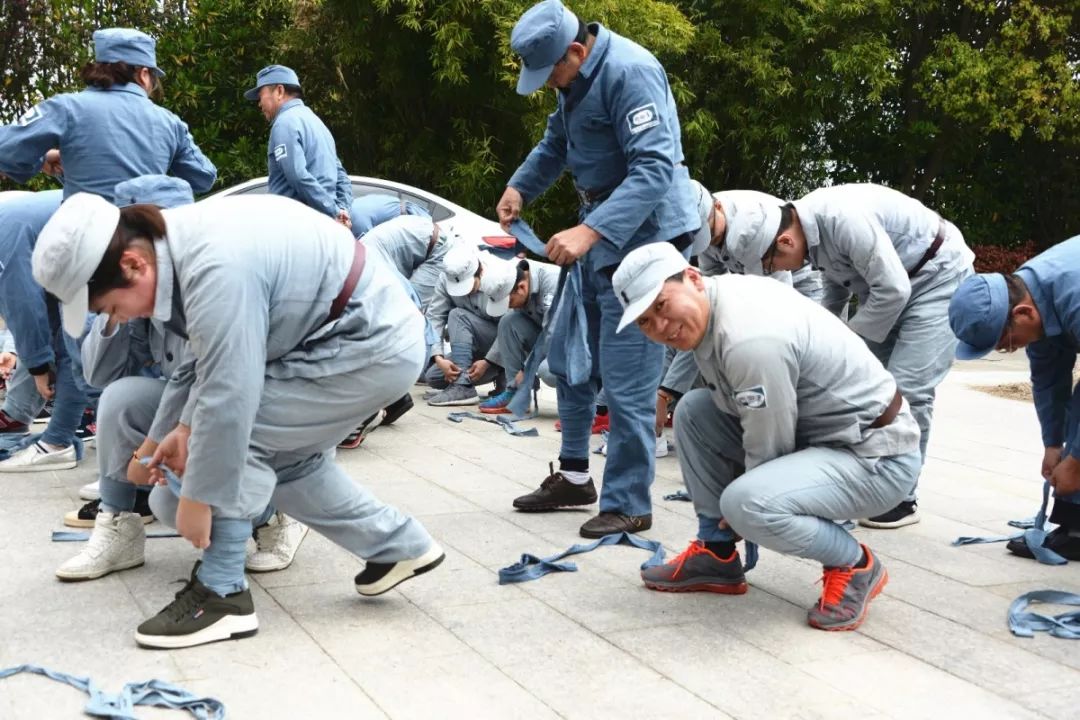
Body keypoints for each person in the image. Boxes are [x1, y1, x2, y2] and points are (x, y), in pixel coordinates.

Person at [33, 192, 444, 648]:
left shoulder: (213, 266)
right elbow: (199, 364)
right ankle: (400, 546)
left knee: (239, 439)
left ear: (132, 264)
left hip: (366, 343)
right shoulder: (175, 250)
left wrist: (198, 500)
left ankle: (223, 593)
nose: (120, 318)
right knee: (290, 465)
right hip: (331, 339)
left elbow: (231, 394)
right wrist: (166, 438)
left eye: (111, 307)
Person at [612, 242, 921, 630]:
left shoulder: (749, 338)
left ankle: (855, 564)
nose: (659, 327)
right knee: (692, 411)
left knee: (748, 502)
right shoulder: (716, 301)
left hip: (875, 457)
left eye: (660, 305)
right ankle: (717, 555)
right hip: (823, 437)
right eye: (644, 321)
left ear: (692, 278)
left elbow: (769, 447)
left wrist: (743, 513)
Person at [497, 0, 698, 536]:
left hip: (644, 238)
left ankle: (630, 501)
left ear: (577, 51)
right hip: (601, 230)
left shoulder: (630, 71)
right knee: (571, 357)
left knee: (628, 376)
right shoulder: (573, 83)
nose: (546, 85)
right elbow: (554, 145)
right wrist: (520, 187)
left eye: (551, 73)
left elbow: (654, 167)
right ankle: (574, 475)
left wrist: (590, 231)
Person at [58, 176, 309, 576]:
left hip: (253, 404)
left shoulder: (215, 272)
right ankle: (119, 525)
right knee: (120, 399)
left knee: (188, 477)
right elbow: (100, 374)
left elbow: (213, 380)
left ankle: (274, 516)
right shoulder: (141, 283)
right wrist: (115, 312)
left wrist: (160, 446)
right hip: (192, 405)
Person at [722, 183, 974, 528]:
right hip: (884, 288)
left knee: (909, 390)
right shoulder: (807, 229)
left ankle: (901, 496)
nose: (773, 271)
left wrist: (847, 340)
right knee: (866, 389)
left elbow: (894, 289)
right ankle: (860, 478)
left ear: (785, 242)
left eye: (770, 264)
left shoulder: (841, 218)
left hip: (937, 279)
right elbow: (837, 286)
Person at [949, 239, 1080, 560]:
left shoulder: (1073, 296)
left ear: (1022, 313)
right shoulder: (1029, 293)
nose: (1005, 350)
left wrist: (1075, 461)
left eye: (1005, 343)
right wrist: (1054, 445)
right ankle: (1075, 527)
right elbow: (1049, 378)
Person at [0, 28, 216, 201]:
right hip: (146, 247)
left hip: (84, 246)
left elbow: (6, 149)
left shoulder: (66, 107)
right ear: (143, 74)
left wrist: (41, 159)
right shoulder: (170, 122)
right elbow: (204, 177)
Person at [0, 190, 88, 472]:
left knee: (75, 341)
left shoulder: (5, 235)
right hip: (78, 247)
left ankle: (57, 444)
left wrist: (39, 366)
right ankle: (35, 429)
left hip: (94, 247)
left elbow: (23, 305)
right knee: (61, 338)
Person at [245, 64, 353, 228]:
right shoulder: (318, 123)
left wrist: (334, 211)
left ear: (279, 91)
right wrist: (341, 210)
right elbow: (341, 176)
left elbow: (297, 175)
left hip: (294, 227)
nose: (259, 103)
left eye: (261, 95)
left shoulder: (284, 123)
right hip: (322, 226)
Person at [475, 256, 561, 414]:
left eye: (509, 302)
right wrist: (488, 362)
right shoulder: (517, 281)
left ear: (521, 288)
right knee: (508, 321)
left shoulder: (552, 282)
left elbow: (555, 334)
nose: (508, 306)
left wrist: (527, 368)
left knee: (548, 370)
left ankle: (585, 404)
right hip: (550, 337)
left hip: (576, 342)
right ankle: (516, 395)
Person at [422, 245, 505, 406]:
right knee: (434, 377)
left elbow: (511, 329)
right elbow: (435, 318)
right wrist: (438, 358)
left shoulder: (499, 279)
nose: (465, 293)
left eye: (469, 287)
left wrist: (488, 361)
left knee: (457, 315)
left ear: (479, 271)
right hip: (477, 349)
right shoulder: (445, 279)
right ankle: (489, 374)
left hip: (504, 345)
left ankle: (463, 385)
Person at [350, 193, 432, 237]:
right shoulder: (352, 206)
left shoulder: (357, 219)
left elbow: (366, 248)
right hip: (411, 217)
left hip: (410, 220)